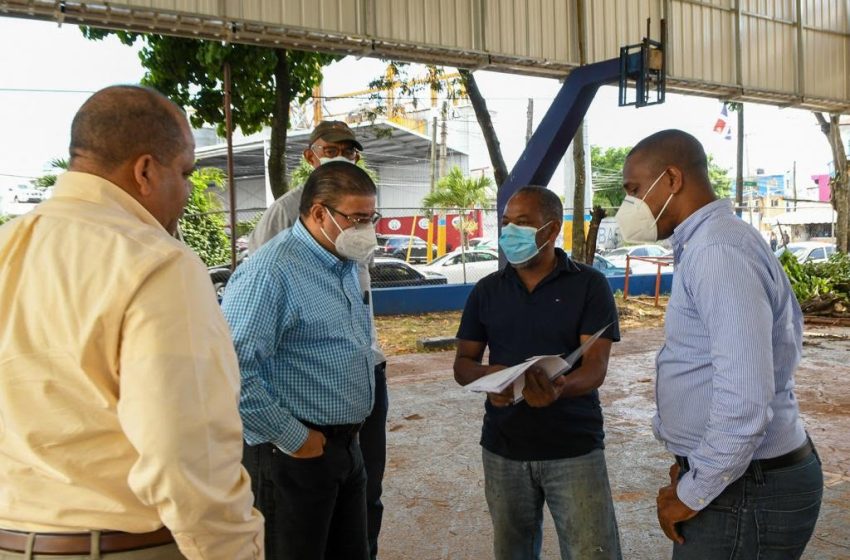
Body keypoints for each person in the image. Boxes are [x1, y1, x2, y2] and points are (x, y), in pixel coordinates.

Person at [0, 85, 264, 559]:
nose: (186, 192)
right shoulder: (157, 264)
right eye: (184, 173)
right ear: (145, 171)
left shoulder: (8, 247)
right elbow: (186, 457)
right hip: (126, 545)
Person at [616, 129, 822, 559]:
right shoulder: (709, 243)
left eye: (634, 191)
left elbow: (745, 396)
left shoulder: (717, 250)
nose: (628, 206)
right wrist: (692, 456)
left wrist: (698, 485)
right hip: (742, 481)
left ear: (672, 179)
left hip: (747, 489)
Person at [453, 186, 622, 560]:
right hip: (503, 448)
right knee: (512, 551)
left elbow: (595, 367)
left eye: (523, 223)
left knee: (592, 551)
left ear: (551, 229)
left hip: (573, 448)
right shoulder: (486, 290)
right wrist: (489, 378)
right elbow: (463, 364)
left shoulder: (589, 284)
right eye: (507, 223)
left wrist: (559, 388)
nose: (510, 232)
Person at [222, 162, 379, 560]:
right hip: (293, 455)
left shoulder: (343, 262)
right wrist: (296, 439)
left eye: (371, 218)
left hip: (345, 447)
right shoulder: (271, 272)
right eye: (356, 218)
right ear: (318, 213)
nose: (366, 229)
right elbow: (232, 371)